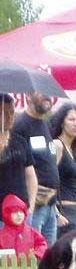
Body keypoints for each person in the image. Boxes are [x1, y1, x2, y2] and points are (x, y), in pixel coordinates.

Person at [12, 92, 59, 245]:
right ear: (28, 96)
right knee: (32, 256)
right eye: (41, 93)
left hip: (50, 203)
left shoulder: (45, 124)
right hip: (34, 204)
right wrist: (29, 204)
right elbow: (17, 165)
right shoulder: (20, 125)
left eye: (48, 93)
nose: (47, 97)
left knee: (49, 258)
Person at [49, 103, 76, 237]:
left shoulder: (74, 149)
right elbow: (47, 180)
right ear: (62, 122)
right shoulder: (57, 145)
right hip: (64, 212)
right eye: (71, 119)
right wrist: (56, 214)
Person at [0, 93, 38, 226]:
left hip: (22, 212)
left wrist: (31, 206)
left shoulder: (20, 141)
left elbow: (30, 176)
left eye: (12, 112)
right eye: (5, 113)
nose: (10, 117)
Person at [0, 194, 47, 258]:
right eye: (15, 212)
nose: (19, 215)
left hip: (30, 266)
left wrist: (37, 253)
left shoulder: (32, 232)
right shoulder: (2, 234)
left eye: (21, 212)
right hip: (6, 267)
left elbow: (42, 244)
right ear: (7, 215)